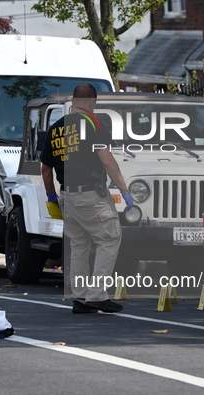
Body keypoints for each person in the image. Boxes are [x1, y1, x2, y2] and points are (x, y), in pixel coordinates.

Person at [40, 83, 134, 314]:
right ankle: (97, 296)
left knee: (79, 244)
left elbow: (45, 168)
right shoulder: (93, 124)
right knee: (110, 237)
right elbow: (107, 160)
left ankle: (80, 298)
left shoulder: (57, 128)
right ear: (92, 102)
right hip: (90, 194)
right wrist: (124, 190)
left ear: (73, 101)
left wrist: (52, 195)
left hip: (67, 195)